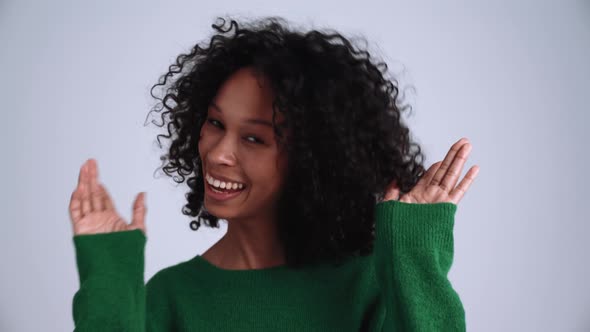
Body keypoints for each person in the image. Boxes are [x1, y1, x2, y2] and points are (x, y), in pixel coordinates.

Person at [68, 16, 479, 331]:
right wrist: (108, 280)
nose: (218, 153)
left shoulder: (368, 285)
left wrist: (414, 254)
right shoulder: (171, 296)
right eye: (214, 124)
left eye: (253, 139)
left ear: (314, 159)